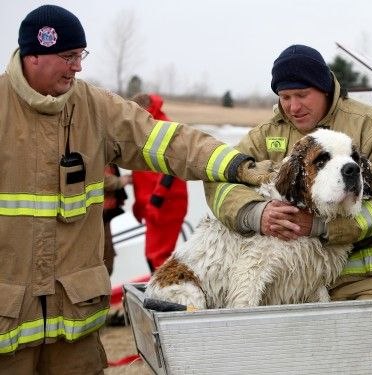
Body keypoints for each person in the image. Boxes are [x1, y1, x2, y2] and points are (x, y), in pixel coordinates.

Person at [0, 5, 272, 373]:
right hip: (8, 327)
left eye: (81, 56)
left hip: (74, 330)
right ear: (35, 54)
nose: (78, 66)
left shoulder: (96, 108)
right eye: (69, 57)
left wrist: (235, 164)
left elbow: (166, 142)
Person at [203, 44, 372, 302]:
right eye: (285, 97)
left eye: (302, 95)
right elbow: (220, 181)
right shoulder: (265, 136)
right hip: (302, 279)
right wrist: (256, 213)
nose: (293, 107)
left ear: (324, 88)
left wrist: (322, 226)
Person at [131, 93, 189, 273]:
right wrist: (141, 205)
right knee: (153, 255)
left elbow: (171, 171)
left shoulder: (164, 128)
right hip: (153, 205)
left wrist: (156, 202)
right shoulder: (144, 128)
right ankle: (162, 292)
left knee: (157, 256)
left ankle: (167, 295)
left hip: (166, 206)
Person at [102, 164, 132, 275]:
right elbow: (97, 176)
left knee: (107, 254)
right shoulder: (90, 151)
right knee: (104, 256)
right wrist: (120, 181)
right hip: (99, 215)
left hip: (105, 215)